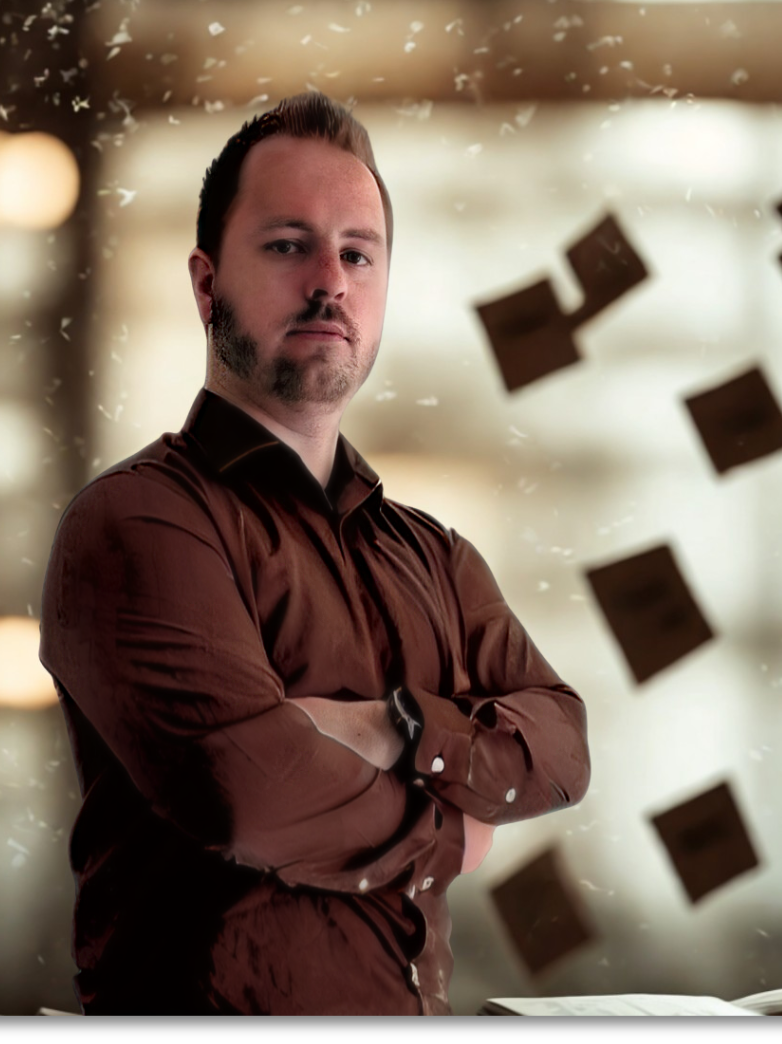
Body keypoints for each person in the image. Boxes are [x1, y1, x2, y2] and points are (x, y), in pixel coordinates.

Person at [39, 92, 590, 1016]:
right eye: (289, 245)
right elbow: (244, 794)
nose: (330, 279)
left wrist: (388, 727)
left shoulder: (435, 555)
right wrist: (453, 827)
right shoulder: (136, 523)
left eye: (357, 253)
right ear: (206, 284)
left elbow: (562, 748)